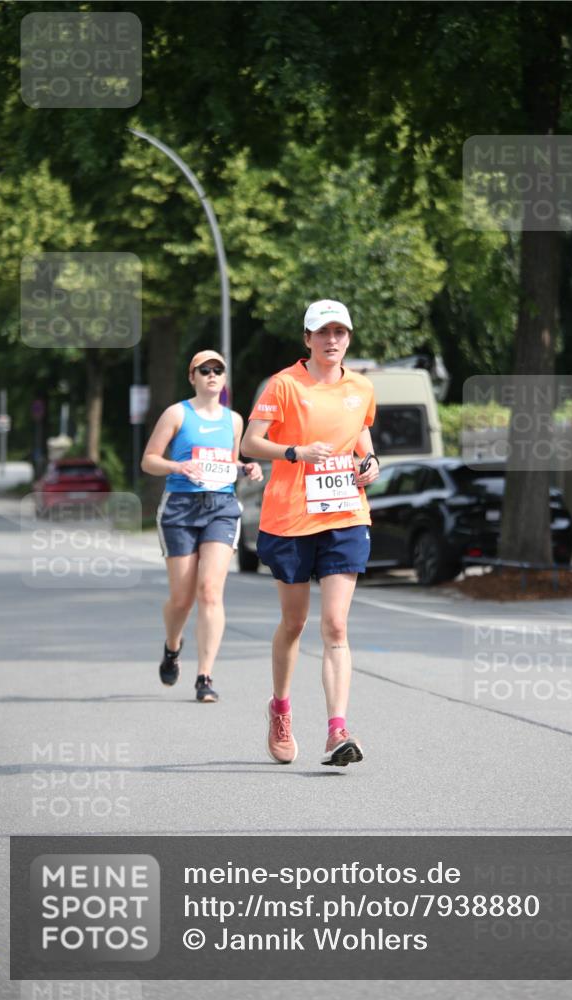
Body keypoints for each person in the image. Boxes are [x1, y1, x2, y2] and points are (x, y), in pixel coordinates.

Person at [241, 300, 380, 766]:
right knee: (295, 622)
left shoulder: (361, 387)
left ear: (349, 338)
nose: (332, 340)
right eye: (323, 332)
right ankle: (280, 708)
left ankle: (337, 731)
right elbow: (251, 442)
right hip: (290, 518)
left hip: (345, 515)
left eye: (340, 332)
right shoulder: (283, 384)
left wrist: (372, 462)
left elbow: (361, 433)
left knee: (336, 625)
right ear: (307, 338)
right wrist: (296, 452)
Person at [141, 350, 263, 703]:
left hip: (221, 509)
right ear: (192, 376)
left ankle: (205, 677)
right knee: (182, 600)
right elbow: (149, 460)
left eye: (218, 370)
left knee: (210, 591)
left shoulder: (234, 420)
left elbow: (229, 460)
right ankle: (172, 646)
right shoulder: (177, 413)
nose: (212, 374)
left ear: (224, 379)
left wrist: (247, 468)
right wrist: (177, 468)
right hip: (180, 508)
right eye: (204, 370)